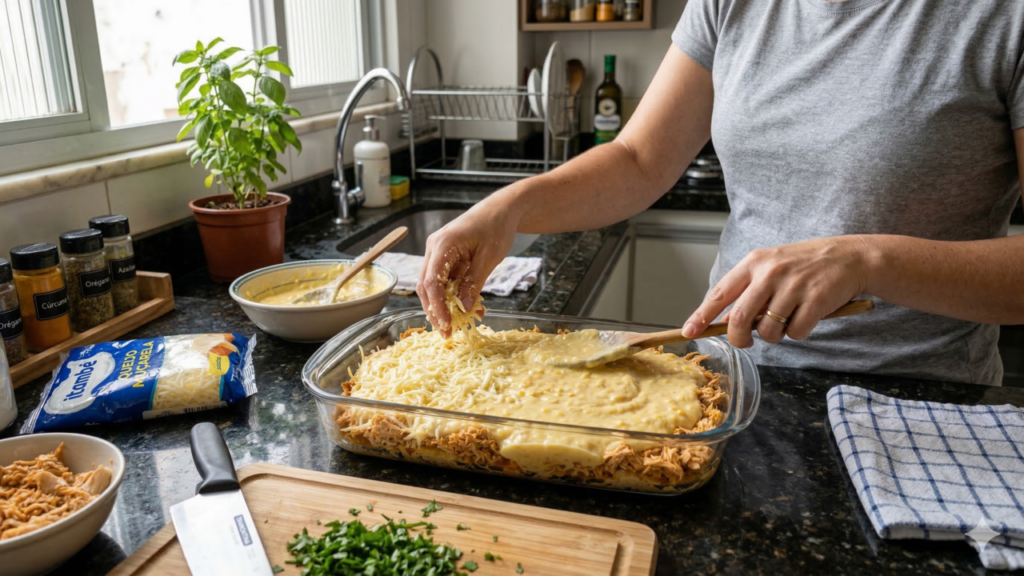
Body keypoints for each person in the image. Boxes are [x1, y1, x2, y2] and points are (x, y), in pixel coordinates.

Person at [417, 0, 1024, 386]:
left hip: (919, 397)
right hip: (733, 374)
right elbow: (636, 160)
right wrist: (508, 205)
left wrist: (867, 260)